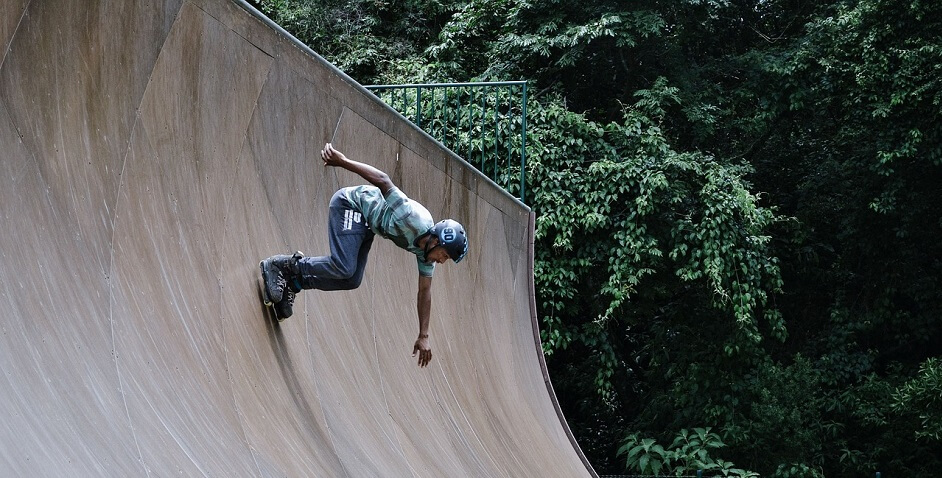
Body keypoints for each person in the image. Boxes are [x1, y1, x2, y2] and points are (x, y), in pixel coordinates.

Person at [260, 143, 468, 367]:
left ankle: (295, 283)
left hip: (368, 225)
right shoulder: (413, 218)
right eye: (444, 255)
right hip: (351, 205)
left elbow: (424, 290)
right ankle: (283, 266)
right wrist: (342, 161)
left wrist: (423, 335)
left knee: (353, 279)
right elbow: (383, 180)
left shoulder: (425, 253)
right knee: (344, 266)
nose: (441, 261)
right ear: (436, 240)